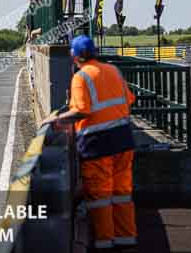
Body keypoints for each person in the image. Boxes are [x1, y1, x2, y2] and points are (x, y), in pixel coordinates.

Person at [43, 35, 137, 251]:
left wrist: (57, 120)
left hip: (98, 144)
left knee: (100, 196)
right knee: (122, 192)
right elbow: (129, 99)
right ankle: (127, 239)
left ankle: (105, 242)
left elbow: (82, 110)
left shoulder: (81, 77)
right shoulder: (113, 70)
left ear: (74, 56)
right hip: (123, 140)